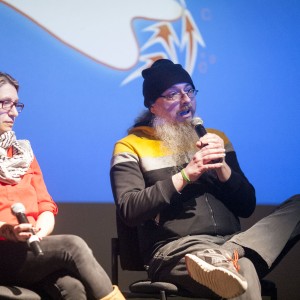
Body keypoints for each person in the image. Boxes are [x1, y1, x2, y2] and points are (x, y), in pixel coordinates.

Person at [110, 59, 300, 299]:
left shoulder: (215, 139)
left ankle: (229, 254)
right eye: (172, 94)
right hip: (178, 252)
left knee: (297, 207)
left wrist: (223, 170)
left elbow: (247, 206)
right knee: (244, 271)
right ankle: (228, 258)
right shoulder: (131, 146)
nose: (186, 100)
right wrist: (186, 175)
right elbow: (130, 209)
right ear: (153, 106)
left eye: (189, 91)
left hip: (234, 242)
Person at [0, 72, 125, 300]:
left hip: (26, 249)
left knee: (73, 287)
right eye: (5, 103)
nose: (14, 112)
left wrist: (37, 232)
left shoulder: (22, 153)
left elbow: (46, 206)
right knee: (72, 245)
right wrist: (7, 230)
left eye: (17, 104)